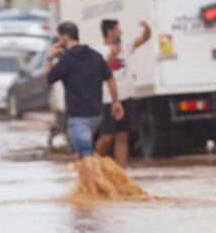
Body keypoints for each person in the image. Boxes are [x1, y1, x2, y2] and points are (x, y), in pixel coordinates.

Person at [45, 21, 122, 163]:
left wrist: (50, 57)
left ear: (65, 38)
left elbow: (48, 78)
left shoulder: (66, 59)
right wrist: (116, 102)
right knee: (77, 155)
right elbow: (110, 78)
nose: (57, 41)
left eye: (58, 38)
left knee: (86, 159)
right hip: (96, 114)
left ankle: (94, 184)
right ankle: (87, 183)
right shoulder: (95, 55)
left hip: (78, 116)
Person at [94, 19, 151, 167]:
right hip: (108, 99)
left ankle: (121, 171)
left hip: (126, 96)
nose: (120, 32)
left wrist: (147, 29)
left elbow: (144, 39)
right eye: (117, 29)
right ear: (109, 32)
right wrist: (112, 56)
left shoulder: (124, 45)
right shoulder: (98, 50)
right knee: (106, 137)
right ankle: (94, 165)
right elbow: (101, 71)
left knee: (122, 136)